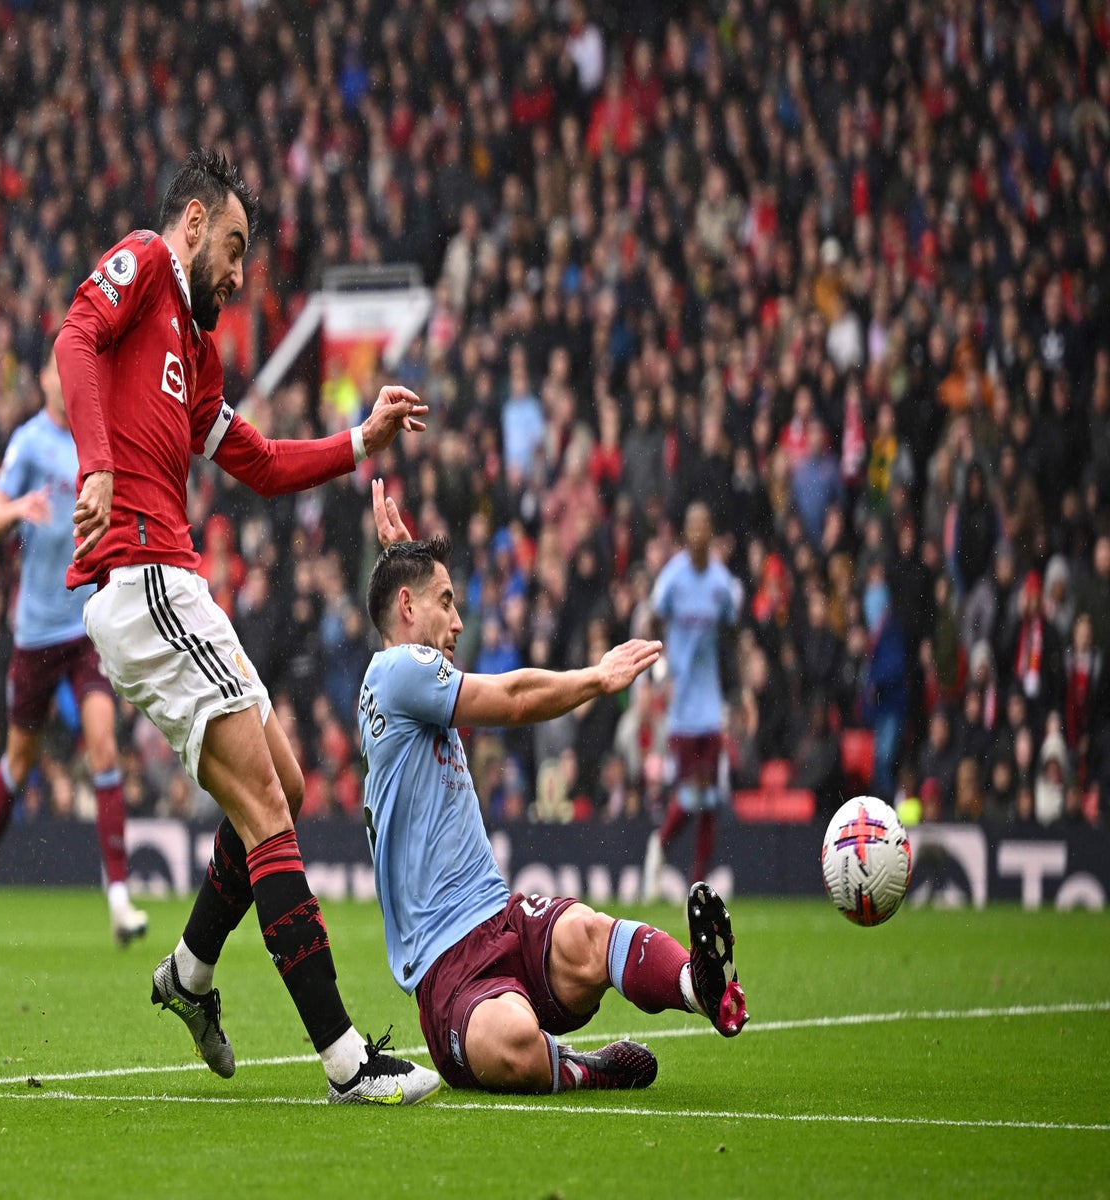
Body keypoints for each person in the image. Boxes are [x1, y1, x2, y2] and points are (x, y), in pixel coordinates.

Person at [54, 148, 437, 1105]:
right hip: (139, 573)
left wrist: (358, 443)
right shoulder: (145, 257)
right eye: (230, 246)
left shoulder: (200, 348)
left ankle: (188, 972)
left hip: (176, 578)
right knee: (267, 809)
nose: (238, 270)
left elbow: (257, 462)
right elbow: (73, 338)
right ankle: (346, 1058)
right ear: (191, 222)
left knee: (290, 784)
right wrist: (97, 464)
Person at [355, 481, 748, 1094]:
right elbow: (510, 700)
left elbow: (405, 609)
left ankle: (698, 986)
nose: (460, 621)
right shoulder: (401, 671)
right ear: (408, 607)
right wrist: (595, 677)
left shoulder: (396, 679)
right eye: (447, 602)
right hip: (447, 967)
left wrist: (399, 555)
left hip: (503, 915)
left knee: (588, 934)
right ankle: (585, 1068)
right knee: (509, 1041)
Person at [0, 342, 149, 949]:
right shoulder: (28, 443)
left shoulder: (95, 442)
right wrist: (20, 505)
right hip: (34, 634)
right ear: (44, 379)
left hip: (83, 627)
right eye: (55, 368)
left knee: (103, 743)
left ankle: (119, 896)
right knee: (18, 761)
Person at [641, 501, 742, 903]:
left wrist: (737, 690)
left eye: (705, 528)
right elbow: (652, 616)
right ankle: (659, 846)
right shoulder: (673, 580)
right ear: (686, 536)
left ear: (711, 534)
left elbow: (733, 631)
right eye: (693, 528)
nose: (699, 535)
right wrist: (658, 666)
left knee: (711, 799)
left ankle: (696, 884)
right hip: (682, 703)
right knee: (692, 793)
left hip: (710, 702)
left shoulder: (721, 583)